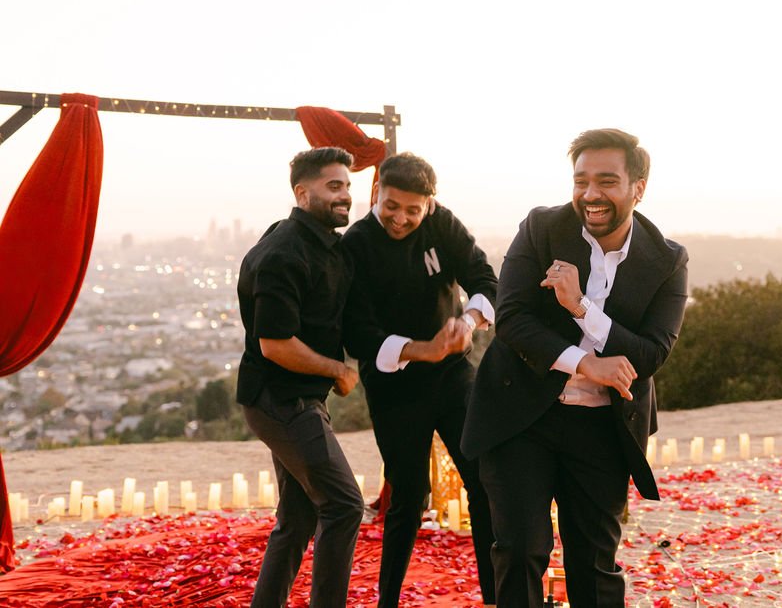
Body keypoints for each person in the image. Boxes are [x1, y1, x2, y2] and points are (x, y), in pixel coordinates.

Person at [461, 128, 688, 607]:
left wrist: (581, 306)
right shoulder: (541, 227)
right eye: (581, 181)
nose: (590, 194)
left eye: (606, 181)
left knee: (594, 565)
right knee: (519, 551)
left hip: (603, 428)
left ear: (638, 187)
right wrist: (586, 363)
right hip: (521, 415)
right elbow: (512, 318)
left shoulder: (668, 260)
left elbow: (650, 355)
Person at [340, 152, 498, 607]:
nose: (401, 218)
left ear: (429, 203)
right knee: (408, 496)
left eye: (413, 210)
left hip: (452, 374)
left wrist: (468, 322)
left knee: (484, 481)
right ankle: (387, 600)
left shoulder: (441, 222)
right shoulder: (356, 245)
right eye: (392, 206)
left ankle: (495, 597)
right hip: (394, 386)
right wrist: (419, 349)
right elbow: (357, 333)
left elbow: (485, 280)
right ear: (377, 193)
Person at [236, 146, 364, 608]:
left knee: (297, 519)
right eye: (333, 186)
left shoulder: (324, 244)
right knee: (344, 505)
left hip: (295, 399)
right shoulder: (284, 252)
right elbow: (276, 344)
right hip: (280, 400)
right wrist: (337, 370)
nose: (344, 195)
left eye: (347, 186)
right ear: (302, 193)